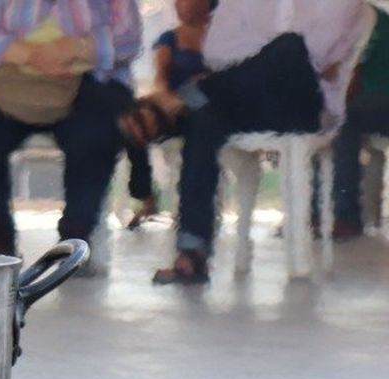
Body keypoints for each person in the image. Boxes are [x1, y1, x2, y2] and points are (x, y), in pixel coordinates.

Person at [124, 0, 374, 283]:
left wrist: (259, 53)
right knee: (205, 117)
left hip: (307, 105)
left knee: (291, 48)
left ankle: (186, 98)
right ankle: (193, 251)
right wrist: (265, 60)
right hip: (246, 99)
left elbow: (313, 58)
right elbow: (217, 53)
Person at [0, 0, 143, 258]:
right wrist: (31, 55)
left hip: (93, 75)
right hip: (12, 73)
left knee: (96, 134)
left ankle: (76, 238)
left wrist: (72, 48)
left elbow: (129, 37)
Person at [124, 0, 215, 228]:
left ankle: (191, 208)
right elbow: (161, 78)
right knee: (134, 120)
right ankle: (145, 196)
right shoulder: (169, 38)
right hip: (171, 106)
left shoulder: (221, 39)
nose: (180, 5)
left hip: (207, 109)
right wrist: (169, 101)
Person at [333, 6, 389, 239]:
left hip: (377, 102)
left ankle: (345, 217)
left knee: (340, 123)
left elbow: (352, 78)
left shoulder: (361, 19)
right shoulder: (377, 16)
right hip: (375, 103)